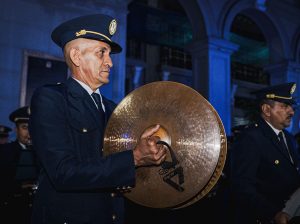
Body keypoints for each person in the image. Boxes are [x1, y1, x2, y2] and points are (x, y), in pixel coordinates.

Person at [29, 14, 167, 224]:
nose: (110, 62)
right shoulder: (51, 99)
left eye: (109, 54)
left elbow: (116, 167)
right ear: (76, 57)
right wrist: (134, 158)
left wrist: (147, 151)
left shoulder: (113, 109)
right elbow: (63, 172)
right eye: (101, 53)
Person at [230, 82, 300, 224]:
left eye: (291, 106)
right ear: (267, 110)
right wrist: (273, 214)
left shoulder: (290, 139)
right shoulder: (250, 138)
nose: (292, 112)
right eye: (285, 106)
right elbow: (242, 186)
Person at [0, 106, 39, 224]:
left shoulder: (43, 153)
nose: (29, 133)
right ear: (16, 130)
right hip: (11, 211)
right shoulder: (4, 152)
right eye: (25, 127)